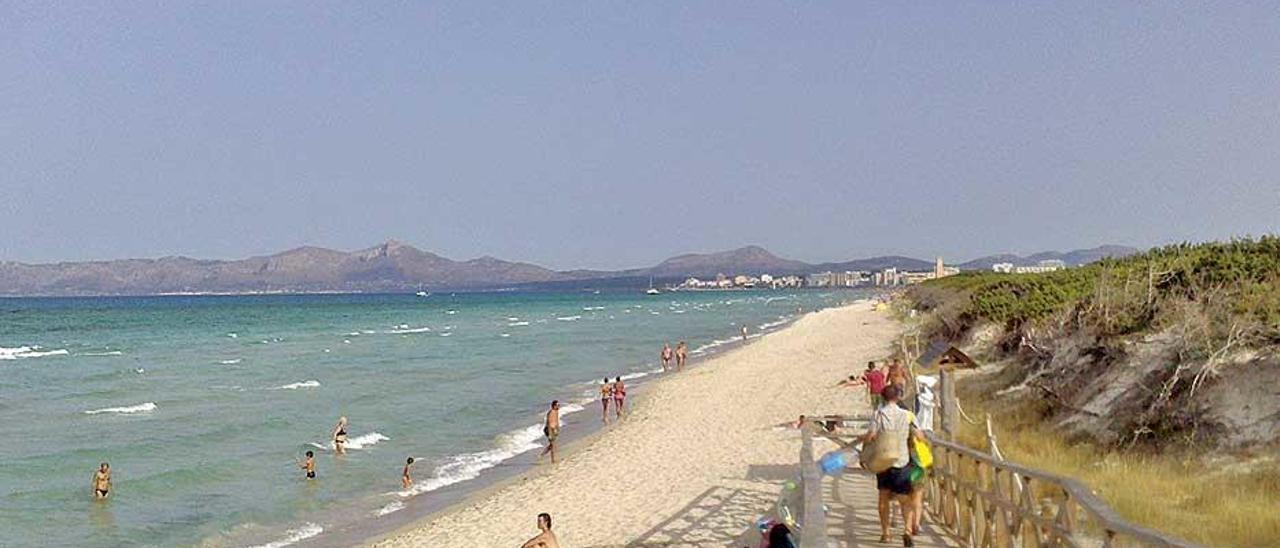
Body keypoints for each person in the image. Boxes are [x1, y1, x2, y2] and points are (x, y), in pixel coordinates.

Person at [859, 384, 925, 546]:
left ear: (883, 397)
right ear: (897, 397)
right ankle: (907, 530)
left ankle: (886, 533)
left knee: (883, 498)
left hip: (883, 459)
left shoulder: (878, 414)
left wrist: (864, 451)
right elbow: (919, 436)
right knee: (905, 499)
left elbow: (871, 435)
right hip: (902, 459)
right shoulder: (907, 415)